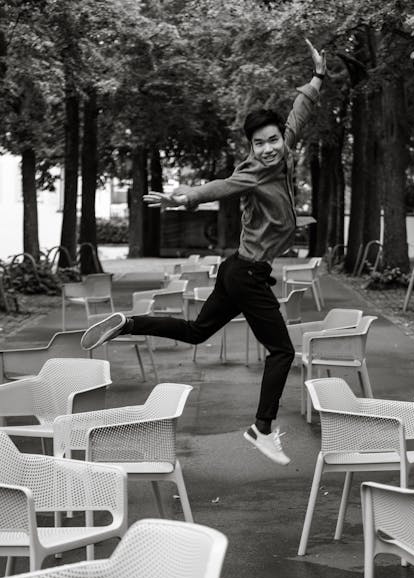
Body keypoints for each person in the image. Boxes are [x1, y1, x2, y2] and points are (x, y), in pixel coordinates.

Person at [81, 38, 327, 466]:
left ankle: (129, 322)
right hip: (247, 273)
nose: (268, 148)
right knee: (283, 352)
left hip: (237, 269)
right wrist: (183, 198)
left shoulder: (283, 153)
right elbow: (219, 187)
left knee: (197, 332)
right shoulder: (252, 172)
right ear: (250, 148)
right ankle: (262, 429)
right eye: (259, 143)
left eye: (272, 141)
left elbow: (298, 116)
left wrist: (318, 78)